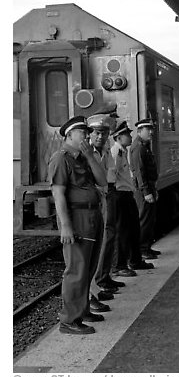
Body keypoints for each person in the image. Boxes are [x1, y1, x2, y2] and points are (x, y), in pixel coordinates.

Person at [48, 116, 108, 334]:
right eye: (82, 131)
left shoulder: (84, 157)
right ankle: (69, 320)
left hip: (92, 215)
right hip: (78, 218)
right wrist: (65, 226)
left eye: (86, 131)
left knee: (89, 267)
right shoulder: (61, 158)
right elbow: (59, 195)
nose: (87, 135)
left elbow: (102, 181)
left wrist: (91, 156)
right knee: (76, 269)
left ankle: (82, 310)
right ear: (69, 135)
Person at [86, 104, 125, 309]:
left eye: (104, 132)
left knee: (104, 240)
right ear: (89, 133)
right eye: (96, 132)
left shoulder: (104, 151)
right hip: (93, 202)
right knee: (92, 247)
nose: (100, 136)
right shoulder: (86, 153)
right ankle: (90, 294)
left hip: (104, 197)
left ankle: (98, 286)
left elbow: (108, 176)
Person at [111, 121, 154, 276]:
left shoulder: (124, 151)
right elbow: (112, 178)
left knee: (133, 228)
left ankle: (135, 260)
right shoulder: (115, 153)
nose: (130, 136)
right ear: (119, 137)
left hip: (128, 193)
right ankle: (119, 266)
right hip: (119, 195)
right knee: (121, 231)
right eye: (127, 134)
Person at [130, 119, 161, 260]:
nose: (151, 132)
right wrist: (146, 191)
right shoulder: (138, 147)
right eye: (148, 130)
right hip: (143, 190)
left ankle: (147, 247)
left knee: (150, 219)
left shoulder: (144, 146)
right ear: (139, 131)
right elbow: (139, 172)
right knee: (144, 219)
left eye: (151, 129)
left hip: (149, 186)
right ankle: (142, 249)